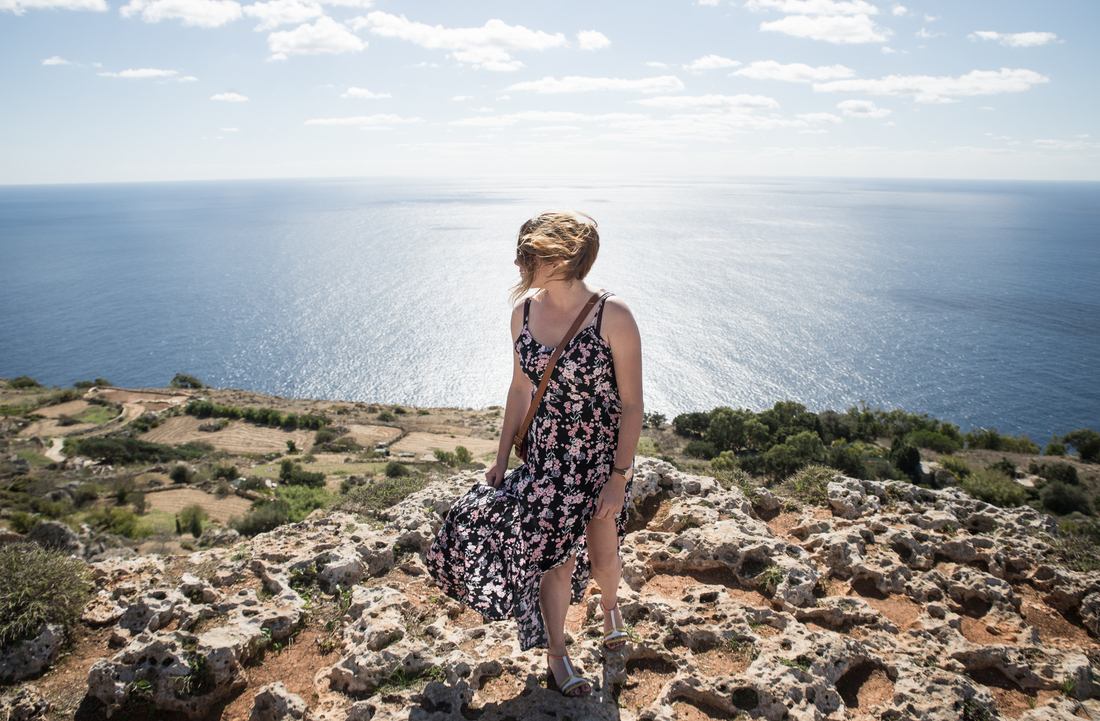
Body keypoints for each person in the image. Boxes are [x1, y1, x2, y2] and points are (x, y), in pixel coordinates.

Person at [424, 210, 644, 698]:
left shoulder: (615, 316)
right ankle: (557, 655)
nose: (519, 260)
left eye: (529, 252)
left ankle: (610, 607)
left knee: (605, 555)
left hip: (598, 464)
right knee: (555, 562)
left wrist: (618, 476)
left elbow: (632, 405)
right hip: (546, 465)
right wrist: (501, 459)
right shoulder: (522, 313)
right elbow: (521, 388)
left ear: (561, 257)